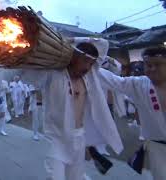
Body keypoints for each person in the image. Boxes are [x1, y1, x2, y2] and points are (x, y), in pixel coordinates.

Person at [32, 38, 123, 180]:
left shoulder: (89, 78)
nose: (88, 67)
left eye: (91, 63)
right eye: (85, 61)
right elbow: (29, 73)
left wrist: (86, 144)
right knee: (56, 176)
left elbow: (103, 44)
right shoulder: (53, 74)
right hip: (56, 138)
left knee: (76, 177)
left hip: (79, 137)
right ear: (73, 56)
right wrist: (70, 43)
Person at [99, 46, 166, 180]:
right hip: (156, 147)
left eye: (158, 64)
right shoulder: (139, 84)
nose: (152, 68)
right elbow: (113, 80)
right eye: (148, 65)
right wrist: (89, 64)